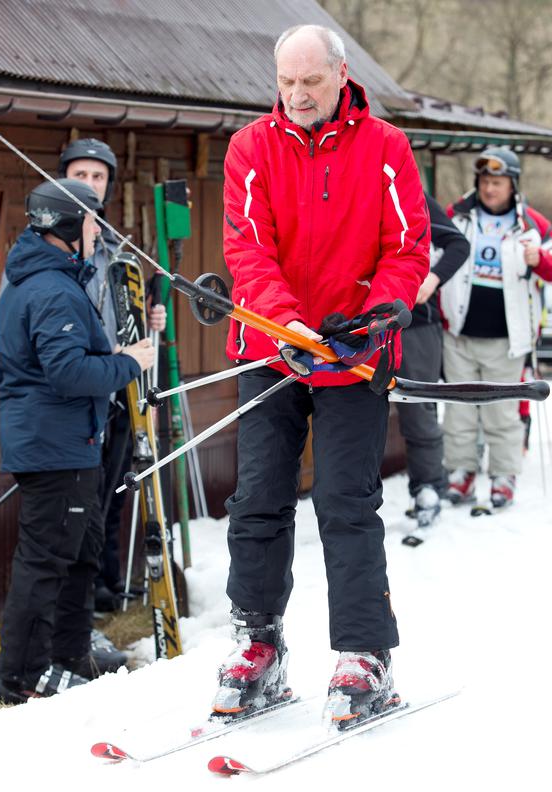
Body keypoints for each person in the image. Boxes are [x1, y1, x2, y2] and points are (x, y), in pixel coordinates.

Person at [214, 24, 429, 726]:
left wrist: (369, 319)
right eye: (287, 82)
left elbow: (408, 248)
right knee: (257, 499)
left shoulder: (387, 147)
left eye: (311, 80)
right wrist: (286, 323)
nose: (298, 94)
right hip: (272, 349)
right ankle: (258, 642)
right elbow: (247, 250)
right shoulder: (251, 147)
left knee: (344, 502)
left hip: (354, 355)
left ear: (341, 75)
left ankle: (364, 652)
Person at [0, 179, 155, 704]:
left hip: (71, 441)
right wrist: (130, 363)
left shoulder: (54, 278)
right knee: (44, 564)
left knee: (77, 555)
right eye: (89, 221)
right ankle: (20, 676)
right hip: (54, 445)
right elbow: (66, 372)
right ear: (66, 225)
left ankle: (65, 655)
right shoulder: (50, 288)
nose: (96, 231)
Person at [58, 138, 166, 613]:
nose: (89, 184)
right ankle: (77, 596)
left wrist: (152, 320)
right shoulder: (52, 245)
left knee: (115, 490)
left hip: (119, 387)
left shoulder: (117, 251)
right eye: (80, 175)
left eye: (97, 177)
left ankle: (103, 583)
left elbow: (128, 314)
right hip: (78, 389)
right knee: (81, 495)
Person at [440, 147, 552, 509]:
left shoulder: (533, 224)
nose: (490, 189)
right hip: (459, 332)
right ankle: (461, 473)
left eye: (497, 182)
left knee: (502, 412)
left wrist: (539, 258)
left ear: (512, 184)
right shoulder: (457, 215)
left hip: (508, 338)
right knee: (460, 410)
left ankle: (503, 476)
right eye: (484, 182)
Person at [395, 193, 470, 530]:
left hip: (416, 323)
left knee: (418, 408)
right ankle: (357, 498)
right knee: (354, 412)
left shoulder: (412, 193)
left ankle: (428, 489)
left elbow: (457, 244)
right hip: (358, 325)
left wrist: (434, 278)